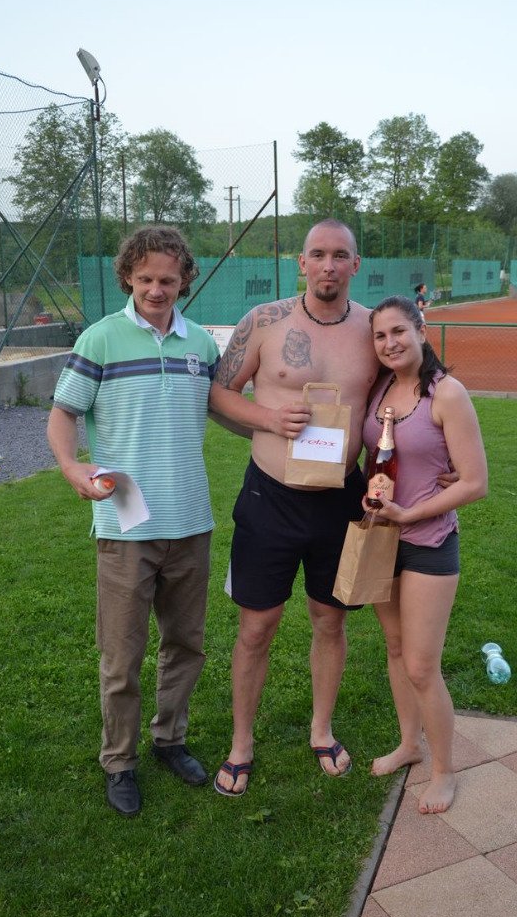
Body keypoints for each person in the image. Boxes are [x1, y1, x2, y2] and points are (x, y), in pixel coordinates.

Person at [47, 226, 221, 817]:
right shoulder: (99, 338)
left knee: (186, 645)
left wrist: (284, 426)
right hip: (126, 529)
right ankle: (119, 761)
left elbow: (226, 410)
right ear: (127, 277)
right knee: (121, 657)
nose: (156, 289)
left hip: (191, 521)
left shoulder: (201, 343)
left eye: (167, 279)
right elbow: (63, 414)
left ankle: (169, 739)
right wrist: (71, 466)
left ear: (184, 280)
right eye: (145, 278)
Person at [210, 219, 381, 796]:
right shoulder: (264, 321)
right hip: (270, 497)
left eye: (340, 255)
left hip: (341, 500)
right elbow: (217, 392)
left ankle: (321, 730)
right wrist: (268, 418)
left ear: (355, 264)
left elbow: (411, 396)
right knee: (256, 626)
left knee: (330, 621)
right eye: (318, 254)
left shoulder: (374, 329)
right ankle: (241, 743)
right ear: (301, 263)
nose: (329, 265)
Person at [362, 295, 488, 814]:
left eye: (399, 331)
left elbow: (475, 482)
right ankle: (408, 744)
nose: (389, 343)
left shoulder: (447, 393)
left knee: (420, 665)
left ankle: (443, 771)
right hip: (380, 539)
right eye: (380, 335)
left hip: (428, 541)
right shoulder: (379, 388)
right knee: (395, 649)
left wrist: (411, 513)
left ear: (421, 330)